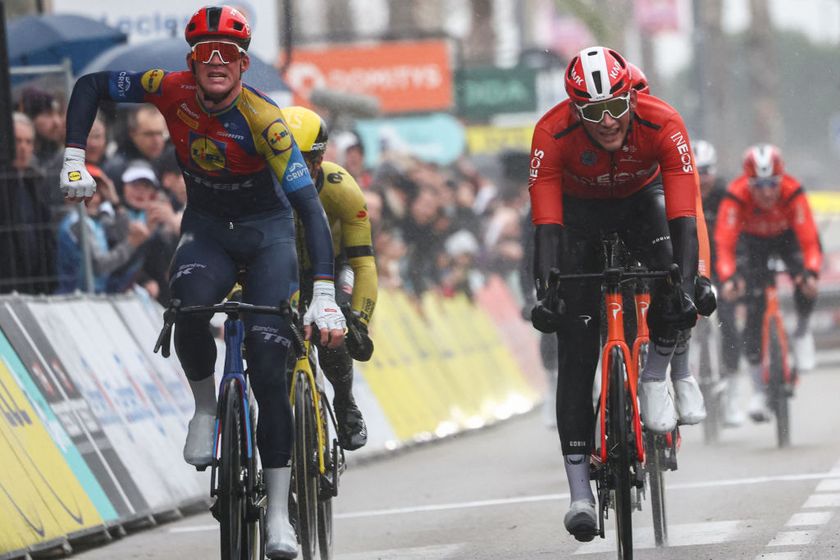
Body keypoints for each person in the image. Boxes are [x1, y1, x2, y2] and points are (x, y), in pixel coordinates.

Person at [58, 6, 344, 558]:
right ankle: (206, 407)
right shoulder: (168, 88)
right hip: (208, 230)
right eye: (207, 53)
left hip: (268, 237)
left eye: (229, 54)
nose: (217, 62)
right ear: (192, 60)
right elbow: (91, 84)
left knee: (266, 362)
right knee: (187, 309)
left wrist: (326, 294)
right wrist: (74, 158)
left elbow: (309, 209)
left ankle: (280, 518)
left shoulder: (266, 120)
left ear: (242, 64)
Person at [527, 46, 706, 540]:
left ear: (631, 95)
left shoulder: (663, 120)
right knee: (576, 351)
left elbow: (686, 216)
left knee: (673, 290)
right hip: (577, 215)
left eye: (615, 106)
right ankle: (579, 492)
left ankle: (654, 378)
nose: (607, 121)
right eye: (592, 111)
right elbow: (545, 225)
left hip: (640, 205)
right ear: (573, 110)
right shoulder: (551, 131)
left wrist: (686, 286)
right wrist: (547, 291)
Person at [280, 105, 377, 451]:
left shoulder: (342, 190)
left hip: (333, 267)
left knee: (335, 331)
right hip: (280, 269)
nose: (288, 167)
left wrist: (360, 323)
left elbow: (363, 263)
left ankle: (345, 401)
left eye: (302, 160)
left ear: (319, 162)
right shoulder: (260, 183)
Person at [714, 143, 821, 422]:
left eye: (772, 184)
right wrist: (729, 277)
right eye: (758, 185)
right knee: (753, 307)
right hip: (753, 244)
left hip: (787, 239)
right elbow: (724, 245)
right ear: (748, 182)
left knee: (806, 280)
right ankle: (759, 390)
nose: (766, 192)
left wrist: (809, 271)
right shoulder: (735, 195)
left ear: (781, 179)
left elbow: (809, 241)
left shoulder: (793, 191)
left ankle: (802, 332)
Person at [693, 139, 744, 426]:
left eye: (707, 171)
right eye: (696, 172)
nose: (702, 179)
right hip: (693, 266)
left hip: (723, 264)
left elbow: (737, 240)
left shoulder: (726, 196)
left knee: (728, 325)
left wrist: (736, 277)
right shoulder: (679, 193)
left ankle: (733, 394)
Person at [0, 112, 57, 295]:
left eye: (28, 142)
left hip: (34, 285)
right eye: (17, 141)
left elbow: (45, 237)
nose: (23, 148)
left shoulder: (36, 183)